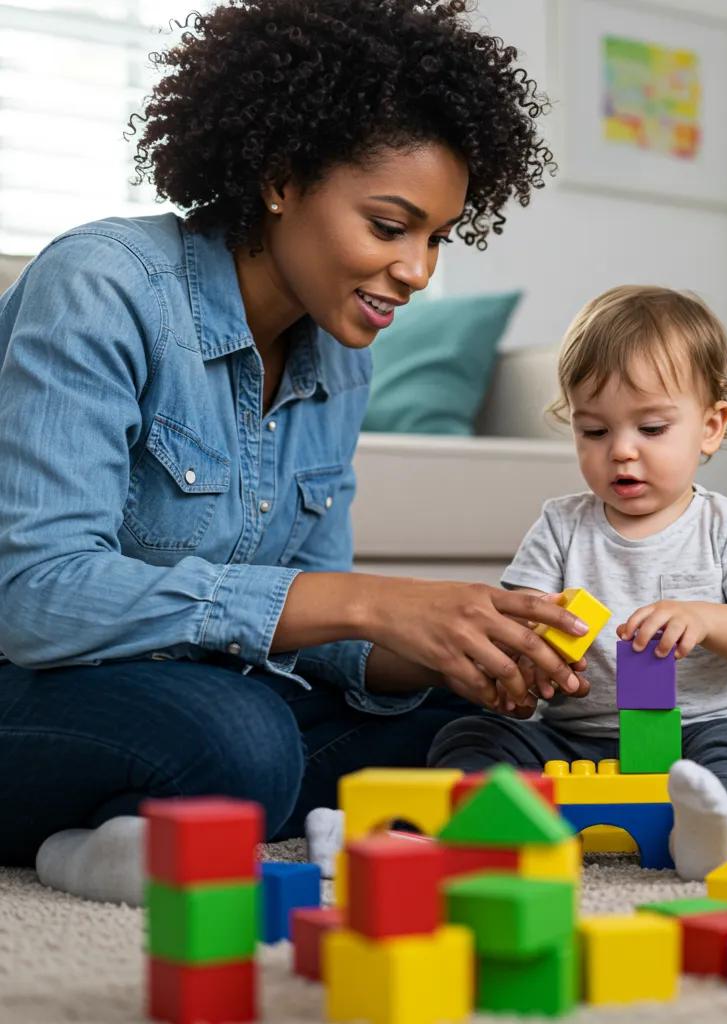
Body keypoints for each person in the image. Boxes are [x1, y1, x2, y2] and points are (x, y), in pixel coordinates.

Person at [0, 0, 593, 902]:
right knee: (239, 742)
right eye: (390, 228)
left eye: (438, 239)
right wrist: (363, 599)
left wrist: (455, 645)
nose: (419, 272)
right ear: (281, 178)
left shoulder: (338, 360)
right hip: (32, 684)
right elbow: (35, 598)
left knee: (472, 739)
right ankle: (95, 843)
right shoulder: (103, 288)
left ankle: (157, 829)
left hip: (197, 689)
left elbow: (319, 637)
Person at [427, 285, 727, 881]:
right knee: (469, 735)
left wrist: (704, 617)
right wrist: (531, 647)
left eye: (651, 428)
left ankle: (713, 830)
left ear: (710, 426)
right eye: (594, 432)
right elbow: (519, 621)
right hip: (575, 741)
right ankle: (492, 821)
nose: (621, 451)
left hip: (695, 739)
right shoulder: (561, 523)